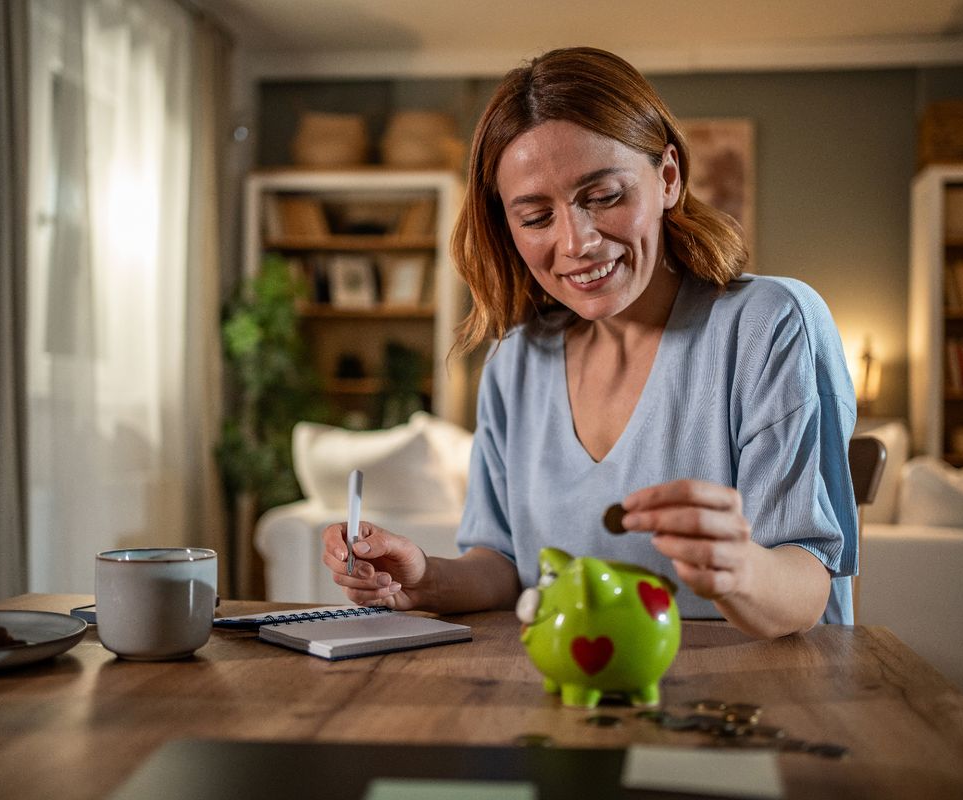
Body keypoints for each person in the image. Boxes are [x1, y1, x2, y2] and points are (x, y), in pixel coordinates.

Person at [320, 47, 857, 639]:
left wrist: (738, 569)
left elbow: (809, 587)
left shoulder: (768, 325)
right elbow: (504, 564)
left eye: (602, 197)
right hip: (571, 689)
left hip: (754, 702)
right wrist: (426, 580)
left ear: (669, 177)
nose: (576, 242)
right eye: (535, 217)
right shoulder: (515, 362)